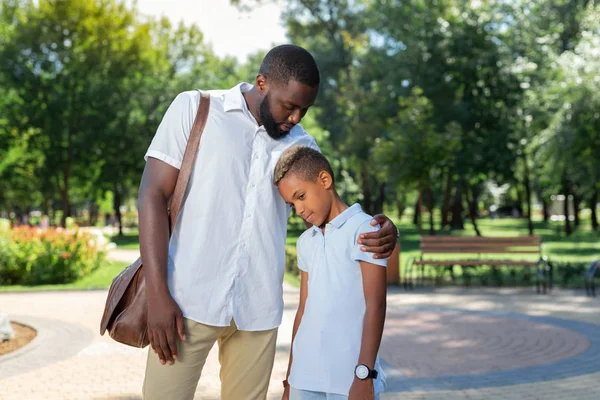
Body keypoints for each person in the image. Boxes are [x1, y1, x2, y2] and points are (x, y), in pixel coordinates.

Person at [138, 44, 397, 400]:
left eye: (304, 109)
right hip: (184, 303)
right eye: (289, 106)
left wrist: (381, 226)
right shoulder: (195, 108)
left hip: (257, 311)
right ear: (262, 83)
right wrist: (157, 296)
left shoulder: (302, 144)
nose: (296, 118)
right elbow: (151, 195)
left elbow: (328, 210)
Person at [274, 146, 387, 400]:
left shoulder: (365, 229)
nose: (299, 209)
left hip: (348, 377)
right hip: (304, 377)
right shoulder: (306, 241)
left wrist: (364, 375)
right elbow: (303, 309)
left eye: (301, 196)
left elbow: (376, 304)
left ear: (325, 180)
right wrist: (290, 380)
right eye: (292, 204)